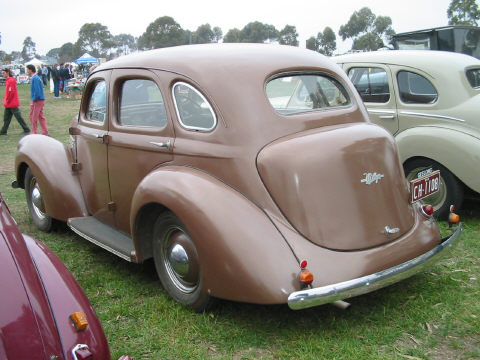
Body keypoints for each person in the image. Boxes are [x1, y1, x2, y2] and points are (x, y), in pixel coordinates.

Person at [1, 68, 31, 135]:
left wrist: (7, 100)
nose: (2, 74)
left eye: (3, 73)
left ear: (7, 73)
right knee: (6, 118)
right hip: (9, 103)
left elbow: (11, 92)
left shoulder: (11, 80)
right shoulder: (9, 80)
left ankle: (26, 129)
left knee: (18, 117)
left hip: (12, 103)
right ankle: (3, 131)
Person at [26, 64, 49, 135]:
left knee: (33, 116)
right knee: (40, 116)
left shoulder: (35, 78)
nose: (26, 71)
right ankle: (45, 131)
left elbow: (37, 91)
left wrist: (34, 99)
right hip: (40, 100)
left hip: (37, 100)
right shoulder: (36, 77)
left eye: (27, 69)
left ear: (30, 70)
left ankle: (34, 131)